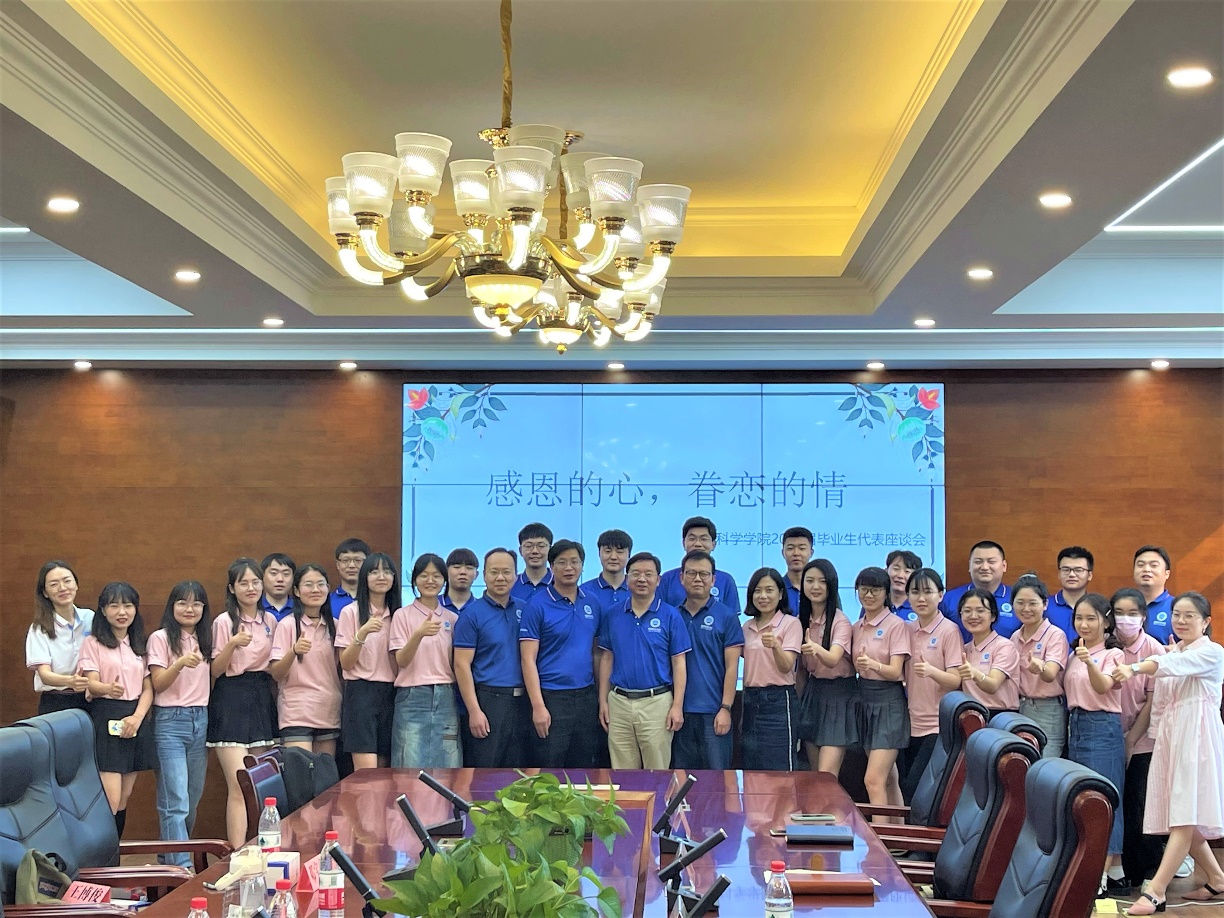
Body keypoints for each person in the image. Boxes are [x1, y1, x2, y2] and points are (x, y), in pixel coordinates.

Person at [1117, 592, 1224, 916]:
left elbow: (1171, 666)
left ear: (1206, 622)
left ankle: (1156, 890)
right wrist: (1156, 739)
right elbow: (1162, 700)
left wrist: (1134, 667)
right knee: (1180, 811)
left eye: (1190, 615)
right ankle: (1218, 879)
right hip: (1172, 737)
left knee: (1184, 814)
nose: (1181, 620)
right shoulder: (1173, 650)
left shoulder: (1212, 652)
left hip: (1197, 736)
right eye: (1177, 614)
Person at [207, 557, 278, 848]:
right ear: (231, 588)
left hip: (261, 695)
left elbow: (275, 665)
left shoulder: (270, 621)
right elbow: (215, 670)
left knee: (259, 783)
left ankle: (262, 848)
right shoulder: (224, 621)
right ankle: (235, 853)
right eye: (243, 583)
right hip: (231, 696)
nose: (250, 588)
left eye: (255, 582)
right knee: (239, 783)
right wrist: (232, 644)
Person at [597, 552, 690, 769]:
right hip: (618, 702)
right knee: (622, 772)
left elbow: (679, 663)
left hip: (657, 702)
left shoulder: (670, 615)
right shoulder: (613, 614)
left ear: (658, 580)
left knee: (657, 772)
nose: (641, 579)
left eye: (648, 574)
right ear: (627, 578)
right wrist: (603, 701)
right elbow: (607, 658)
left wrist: (677, 706)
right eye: (636, 574)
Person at [78, 582, 154, 838]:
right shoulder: (92, 643)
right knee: (109, 798)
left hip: (135, 718)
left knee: (123, 798)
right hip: (105, 716)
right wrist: (106, 688)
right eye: (114, 606)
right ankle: (103, 855)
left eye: (128, 605)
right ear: (103, 610)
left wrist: (138, 717)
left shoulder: (139, 643)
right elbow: (91, 682)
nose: (122, 612)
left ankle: (115, 853)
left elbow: (148, 688)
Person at [1064, 593, 1127, 893]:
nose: (1084, 624)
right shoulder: (1073, 654)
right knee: (1083, 799)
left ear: (1106, 622)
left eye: (1091, 618)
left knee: (1105, 800)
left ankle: (1098, 876)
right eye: (1079, 618)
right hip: (1076, 726)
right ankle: (1113, 871)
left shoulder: (1113, 655)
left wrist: (1089, 662)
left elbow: (1103, 687)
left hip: (1102, 727)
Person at [519, 540, 601, 768]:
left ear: (583, 566)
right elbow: (527, 659)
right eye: (562, 562)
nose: (569, 568)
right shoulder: (537, 604)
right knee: (549, 766)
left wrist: (600, 698)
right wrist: (538, 706)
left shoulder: (591, 602)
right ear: (551, 567)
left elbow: (596, 652)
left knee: (583, 767)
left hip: (586, 697)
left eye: (575, 562)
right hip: (551, 697)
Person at [147, 580, 212, 867]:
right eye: (183, 602)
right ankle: (181, 867)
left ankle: (168, 858)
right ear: (172, 606)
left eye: (196, 603)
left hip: (200, 719)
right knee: (175, 801)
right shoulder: (160, 638)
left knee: (191, 798)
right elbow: (158, 684)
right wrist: (179, 664)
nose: (190, 608)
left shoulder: (206, 638)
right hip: (169, 721)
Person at [1112, 588, 1167, 891]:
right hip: (1107, 736)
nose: (1125, 619)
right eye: (1119, 613)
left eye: (1132, 613)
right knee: (1115, 803)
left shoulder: (1154, 649)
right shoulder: (1105, 644)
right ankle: (1118, 870)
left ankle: (1146, 873)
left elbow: (1152, 701)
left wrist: (1131, 740)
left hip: (1143, 739)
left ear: (1143, 617)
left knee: (1140, 805)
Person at [454, 548, 529, 767]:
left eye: (506, 572)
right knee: (486, 771)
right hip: (489, 700)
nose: (500, 578)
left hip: (523, 701)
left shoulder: (525, 609)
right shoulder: (472, 614)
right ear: (484, 575)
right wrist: (474, 711)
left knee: (520, 771)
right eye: (494, 572)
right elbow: (461, 665)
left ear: (516, 575)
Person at [671, 550, 743, 771]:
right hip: (678, 713)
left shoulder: (727, 616)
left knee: (717, 781)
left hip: (714, 713)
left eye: (704, 574)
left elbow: (732, 667)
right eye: (691, 573)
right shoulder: (671, 615)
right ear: (682, 577)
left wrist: (726, 708)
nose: (698, 579)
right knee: (681, 780)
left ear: (713, 580)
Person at [390, 553, 460, 768]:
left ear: (444, 580)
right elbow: (401, 660)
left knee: (448, 760)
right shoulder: (402, 615)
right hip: (412, 695)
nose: (430, 581)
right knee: (409, 761)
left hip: (445, 695)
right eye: (424, 575)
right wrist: (419, 634)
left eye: (436, 576)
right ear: (415, 580)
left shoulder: (452, 618)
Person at [851, 567, 910, 819]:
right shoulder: (857, 626)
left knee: (873, 780)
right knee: (888, 777)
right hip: (865, 699)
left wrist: (873, 665)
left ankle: (880, 838)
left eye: (875, 590)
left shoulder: (896, 625)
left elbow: (897, 671)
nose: (869, 595)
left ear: (886, 593)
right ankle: (900, 833)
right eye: (864, 589)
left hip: (889, 701)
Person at [901, 568, 963, 801]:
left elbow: (955, 680)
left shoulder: (949, 630)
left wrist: (931, 671)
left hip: (937, 724)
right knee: (905, 785)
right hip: (909, 721)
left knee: (917, 789)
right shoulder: (906, 629)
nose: (921, 598)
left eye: (928, 592)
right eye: (915, 592)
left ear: (941, 595)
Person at [335, 552, 400, 770]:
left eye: (387, 571)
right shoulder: (350, 612)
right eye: (374, 572)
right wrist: (362, 633)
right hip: (360, 693)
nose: (381, 576)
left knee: (385, 769)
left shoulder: (399, 614)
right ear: (365, 577)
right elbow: (345, 663)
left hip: (392, 693)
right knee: (366, 773)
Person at [269, 564, 342, 757]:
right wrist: (293, 651)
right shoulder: (287, 625)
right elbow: (276, 673)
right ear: (296, 591)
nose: (315, 590)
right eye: (308, 585)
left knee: (324, 773)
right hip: (296, 712)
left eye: (321, 584)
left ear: (328, 588)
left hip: (328, 709)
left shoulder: (335, 626)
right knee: (300, 771)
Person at [796, 559, 857, 777]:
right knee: (815, 776)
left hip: (839, 694)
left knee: (826, 775)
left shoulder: (841, 621)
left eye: (822, 581)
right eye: (810, 581)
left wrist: (815, 648)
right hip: (813, 694)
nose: (815, 586)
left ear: (831, 585)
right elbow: (801, 671)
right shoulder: (801, 620)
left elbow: (833, 659)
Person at [741, 568, 802, 770]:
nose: (763, 596)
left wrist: (776, 646)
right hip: (750, 700)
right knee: (751, 766)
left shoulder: (790, 624)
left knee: (780, 768)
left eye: (769, 590)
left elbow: (786, 666)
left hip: (778, 701)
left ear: (781, 594)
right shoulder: (747, 627)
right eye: (757, 591)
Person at [1009, 573, 1069, 758]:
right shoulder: (1014, 637)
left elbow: (1050, 673)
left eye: (1032, 603)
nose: (1026, 609)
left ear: (1045, 604)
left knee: (1046, 765)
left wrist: (1041, 667)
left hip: (1047, 710)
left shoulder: (1055, 635)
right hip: (1020, 707)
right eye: (1020, 603)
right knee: (1023, 763)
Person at [26, 560, 93, 714]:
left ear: (76, 584)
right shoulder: (40, 627)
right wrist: (70, 681)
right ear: (45, 592)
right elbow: (45, 674)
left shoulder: (90, 618)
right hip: (56, 700)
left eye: (67, 581)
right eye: (54, 584)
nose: (62, 588)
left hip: (90, 699)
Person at [956, 588, 1020, 713]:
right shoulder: (964, 649)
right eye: (967, 611)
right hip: (970, 714)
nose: (973, 616)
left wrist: (974, 673)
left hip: (1000, 715)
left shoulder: (1005, 646)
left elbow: (993, 685)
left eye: (980, 611)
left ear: (993, 616)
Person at [658, 517, 741, 614]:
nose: (697, 544)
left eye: (704, 539)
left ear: (713, 544)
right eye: (692, 539)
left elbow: (732, 619)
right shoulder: (667, 579)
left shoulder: (726, 580)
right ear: (683, 543)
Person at [940, 541, 1015, 639]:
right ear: (970, 566)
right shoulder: (949, 599)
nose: (984, 567)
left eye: (991, 561)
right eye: (978, 562)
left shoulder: (1016, 598)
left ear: (1004, 566)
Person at [581, 529, 633, 616]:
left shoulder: (638, 590)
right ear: (599, 553)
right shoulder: (584, 591)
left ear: (629, 555)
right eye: (608, 551)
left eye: (620, 552)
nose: (613, 557)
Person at [1048, 547, 1093, 639]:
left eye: (1078, 570)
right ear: (1059, 574)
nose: (1072, 574)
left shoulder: (1098, 608)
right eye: (1066, 570)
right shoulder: (1044, 606)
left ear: (1089, 575)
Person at [1132, 546, 1175, 644]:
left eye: (1154, 565)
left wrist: (1178, 651)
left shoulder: (1176, 607)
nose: (1146, 569)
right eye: (1140, 565)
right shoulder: (1122, 605)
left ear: (1167, 573)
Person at [511, 522, 554, 603]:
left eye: (541, 546)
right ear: (520, 550)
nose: (535, 551)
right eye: (528, 546)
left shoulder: (560, 584)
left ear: (550, 550)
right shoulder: (511, 584)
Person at [331, 538, 370, 619]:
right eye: (345, 560)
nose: (351, 565)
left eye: (358, 560)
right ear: (338, 565)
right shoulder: (326, 601)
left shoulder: (375, 600)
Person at [780, 527, 814, 614]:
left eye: (802, 548)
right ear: (783, 553)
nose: (796, 553)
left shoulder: (822, 588)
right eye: (790, 548)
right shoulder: (776, 588)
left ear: (811, 553)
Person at [885, 550, 922, 620]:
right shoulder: (876, 604)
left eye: (907, 571)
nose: (900, 575)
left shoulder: (921, 606)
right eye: (896, 569)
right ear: (886, 570)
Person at [259, 552, 297, 621]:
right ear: (262, 576)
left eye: (286, 574)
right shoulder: (254, 607)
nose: (280, 579)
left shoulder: (300, 608)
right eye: (273, 573)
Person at [441, 548, 479, 614]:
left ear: (476, 574)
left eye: (469, 568)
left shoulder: (482, 608)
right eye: (457, 567)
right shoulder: (433, 604)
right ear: (446, 571)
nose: (463, 572)